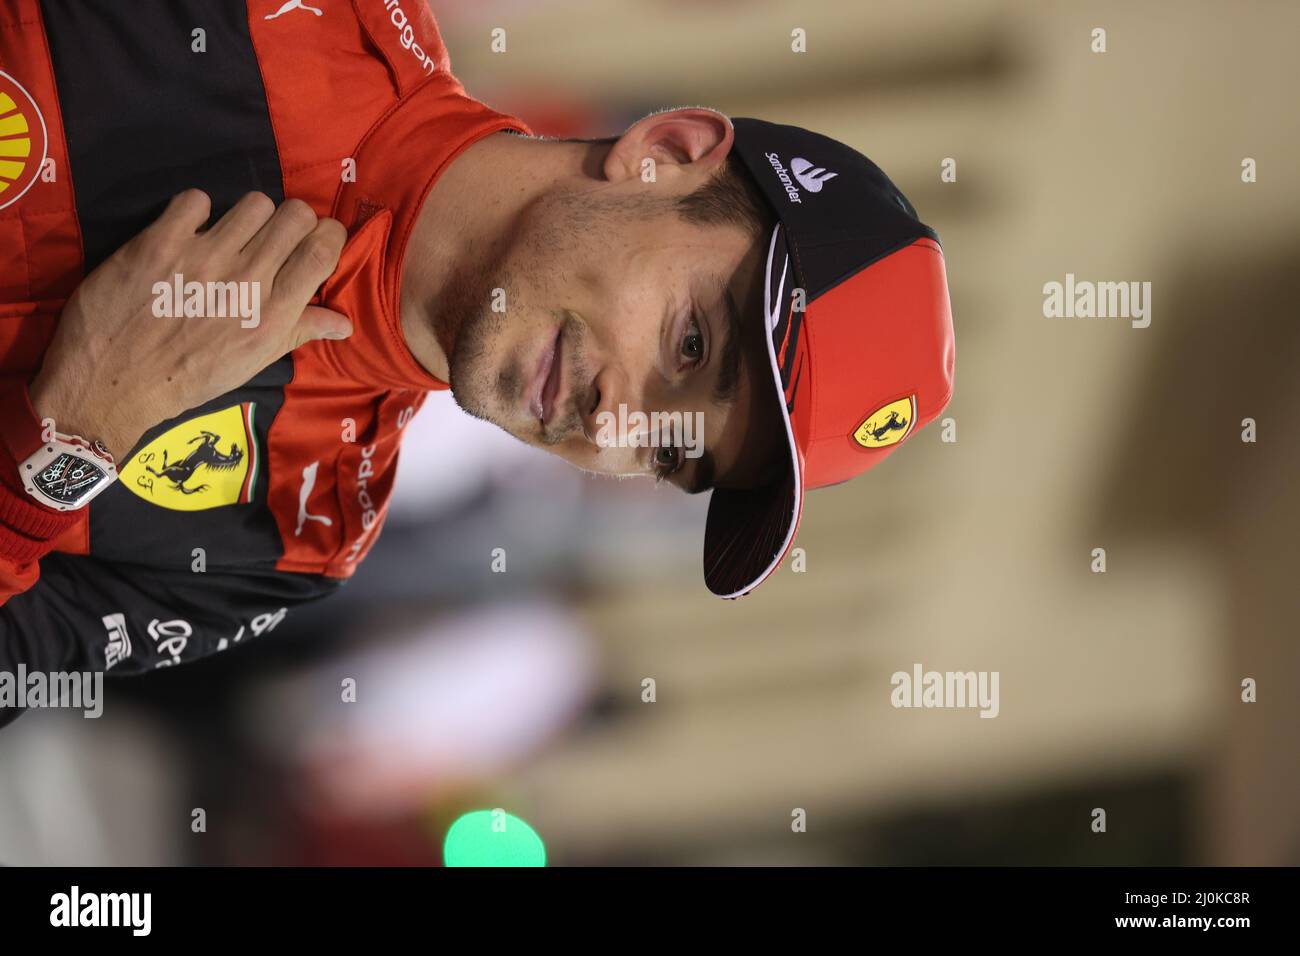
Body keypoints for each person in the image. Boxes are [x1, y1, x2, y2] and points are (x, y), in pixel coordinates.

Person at [0, 0, 953, 701]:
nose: (617, 422)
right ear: (663, 151)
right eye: (691, 341)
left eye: (670, 453)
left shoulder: (292, 542)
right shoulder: (306, 19)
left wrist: (65, 444)